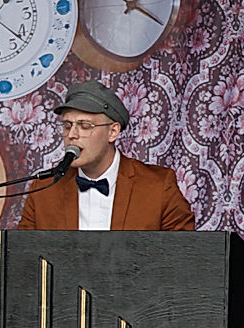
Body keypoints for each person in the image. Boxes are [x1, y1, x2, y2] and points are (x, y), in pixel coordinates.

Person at [18, 80, 196, 231]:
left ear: (113, 132)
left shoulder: (158, 186)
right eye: (67, 125)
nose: (72, 134)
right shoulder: (43, 188)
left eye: (85, 126)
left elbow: (184, 256)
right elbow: (23, 257)